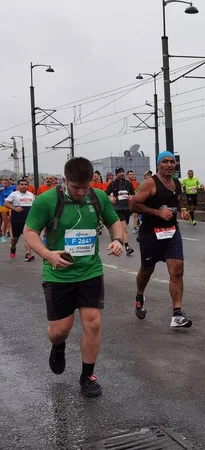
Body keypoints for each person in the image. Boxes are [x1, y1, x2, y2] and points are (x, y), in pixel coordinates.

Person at [24, 157, 124, 397]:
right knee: (60, 330)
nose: (80, 192)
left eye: (85, 186)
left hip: (90, 270)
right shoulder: (48, 200)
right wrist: (48, 254)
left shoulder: (97, 197)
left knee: (93, 323)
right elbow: (30, 232)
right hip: (58, 274)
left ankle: (87, 375)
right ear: (65, 179)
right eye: (75, 186)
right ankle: (57, 347)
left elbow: (115, 222)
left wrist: (118, 239)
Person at [130, 151, 192, 327]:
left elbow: (179, 200)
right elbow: (134, 204)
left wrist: (183, 210)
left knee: (177, 270)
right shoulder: (150, 183)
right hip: (151, 234)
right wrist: (157, 212)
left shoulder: (176, 183)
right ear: (159, 164)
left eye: (172, 161)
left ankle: (177, 314)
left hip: (171, 232)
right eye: (165, 161)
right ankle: (139, 295)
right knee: (146, 270)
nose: (170, 164)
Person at [105, 167, 135, 255]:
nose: (122, 173)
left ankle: (116, 241)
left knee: (123, 228)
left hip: (127, 209)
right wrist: (110, 199)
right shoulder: (113, 184)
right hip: (118, 208)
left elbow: (132, 194)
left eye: (123, 172)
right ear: (116, 174)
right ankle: (127, 247)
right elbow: (105, 194)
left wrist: (131, 197)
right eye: (119, 172)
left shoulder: (128, 184)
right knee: (124, 228)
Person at [5, 178, 36, 260]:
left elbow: (35, 205)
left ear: (28, 186)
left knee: (27, 236)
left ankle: (28, 254)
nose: (24, 186)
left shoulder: (31, 194)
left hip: (28, 218)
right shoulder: (14, 194)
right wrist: (15, 208)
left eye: (25, 184)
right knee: (15, 237)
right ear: (18, 186)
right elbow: (6, 203)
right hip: (17, 218)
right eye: (22, 184)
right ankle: (13, 246)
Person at [0, 177, 16, 243]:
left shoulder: (12, 188)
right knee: (5, 221)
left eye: (6, 183)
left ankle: (13, 234)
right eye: (4, 183)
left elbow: (16, 194)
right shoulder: (0, 188)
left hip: (10, 205)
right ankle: (3, 236)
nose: (5, 184)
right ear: (2, 183)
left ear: (9, 183)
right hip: (2, 205)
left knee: (12, 220)